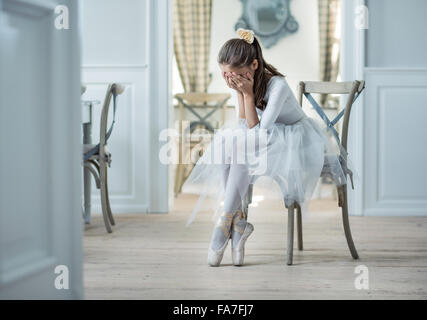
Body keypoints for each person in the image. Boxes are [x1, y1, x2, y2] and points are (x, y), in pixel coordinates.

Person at [183, 28, 351, 267]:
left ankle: (225, 222)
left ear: (253, 65)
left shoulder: (278, 86)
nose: (232, 80)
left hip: (296, 141)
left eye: (237, 75)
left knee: (240, 147)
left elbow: (260, 134)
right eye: (226, 75)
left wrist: (248, 95)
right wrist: (241, 93)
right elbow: (243, 124)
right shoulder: (239, 81)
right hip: (263, 137)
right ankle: (236, 220)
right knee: (229, 143)